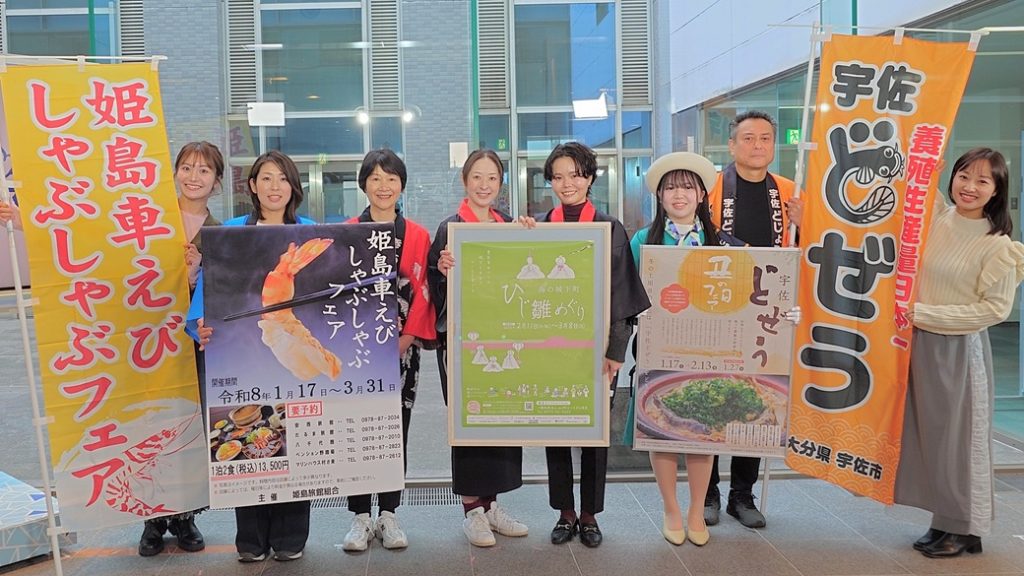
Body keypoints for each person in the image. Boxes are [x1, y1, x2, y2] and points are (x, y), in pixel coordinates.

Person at [895, 148, 1024, 558]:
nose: (970, 187)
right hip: (920, 342)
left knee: (960, 441)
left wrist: (924, 313)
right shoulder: (939, 217)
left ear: (996, 190)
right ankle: (945, 519)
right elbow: (913, 187)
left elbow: (994, 309)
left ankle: (967, 526)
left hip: (959, 349)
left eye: (983, 181)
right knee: (932, 438)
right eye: (964, 176)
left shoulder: (998, 245)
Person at [189, 150, 316, 563]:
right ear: (253, 186)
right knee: (247, 441)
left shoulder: (310, 230)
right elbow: (207, 289)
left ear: (293, 186)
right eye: (266, 178)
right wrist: (197, 326)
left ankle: (290, 536)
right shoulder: (229, 231)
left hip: (292, 351)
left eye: (282, 178)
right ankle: (250, 538)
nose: (274, 186)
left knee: (296, 441)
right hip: (241, 354)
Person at [537, 142, 651, 548]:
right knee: (554, 431)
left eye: (575, 174)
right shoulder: (539, 226)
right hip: (549, 348)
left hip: (596, 350)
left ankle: (589, 514)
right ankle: (564, 512)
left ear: (589, 178)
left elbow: (622, 294)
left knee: (595, 435)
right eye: (558, 176)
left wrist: (616, 351)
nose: (567, 183)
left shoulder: (609, 228)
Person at [627, 152, 744, 547]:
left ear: (701, 195)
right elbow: (628, 294)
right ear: (660, 196)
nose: (679, 194)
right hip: (657, 351)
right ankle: (671, 510)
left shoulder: (720, 242)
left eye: (688, 187)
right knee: (659, 431)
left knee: (701, 433)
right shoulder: (643, 241)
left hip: (707, 352)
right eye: (671, 187)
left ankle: (696, 510)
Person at [704, 110, 803, 529]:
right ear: (731, 145)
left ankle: (741, 495)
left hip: (767, 310)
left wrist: (806, 223)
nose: (757, 145)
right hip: (717, 303)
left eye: (765, 138)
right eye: (748, 138)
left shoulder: (790, 191)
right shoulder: (710, 188)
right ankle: (706, 491)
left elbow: (811, 248)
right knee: (711, 398)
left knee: (756, 399)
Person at [428, 149, 529, 548]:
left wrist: (532, 236)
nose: (484, 185)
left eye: (492, 178)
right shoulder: (450, 229)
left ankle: (492, 506)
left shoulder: (510, 226)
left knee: (502, 418)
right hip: (464, 345)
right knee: (470, 423)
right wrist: (441, 270)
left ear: (500, 184)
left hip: (504, 335)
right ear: (464, 181)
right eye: (477, 177)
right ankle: (472, 509)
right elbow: (434, 291)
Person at [341, 149, 437, 552]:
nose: (384, 186)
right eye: (376, 178)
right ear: (364, 184)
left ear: (402, 185)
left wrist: (407, 339)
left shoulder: (417, 235)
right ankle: (360, 516)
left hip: (401, 349)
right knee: (356, 428)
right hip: (356, 351)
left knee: (396, 428)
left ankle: (389, 513)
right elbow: (336, 293)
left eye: (391, 178)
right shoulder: (347, 231)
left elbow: (425, 291)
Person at [137, 141, 225, 557]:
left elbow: (222, 293)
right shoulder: (150, 219)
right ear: (175, 173)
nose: (194, 176)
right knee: (151, 425)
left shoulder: (220, 232)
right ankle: (152, 518)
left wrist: (194, 275)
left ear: (217, 181)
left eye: (204, 170)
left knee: (190, 426)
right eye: (187, 167)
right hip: (147, 340)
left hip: (194, 345)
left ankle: (186, 514)